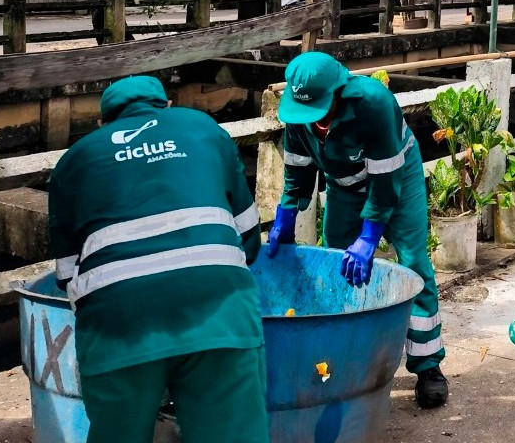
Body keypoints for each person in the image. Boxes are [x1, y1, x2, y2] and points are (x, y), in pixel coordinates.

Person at [48, 76, 268, 443]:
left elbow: (68, 273)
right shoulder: (202, 128)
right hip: (218, 307)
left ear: (104, 122)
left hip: (118, 321)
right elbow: (247, 235)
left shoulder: (75, 159)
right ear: (165, 105)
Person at [267, 51, 449, 408]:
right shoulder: (298, 110)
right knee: (335, 263)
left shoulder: (373, 103)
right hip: (343, 184)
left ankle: (428, 366)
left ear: (338, 93)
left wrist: (369, 237)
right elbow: (298, 166)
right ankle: (340, 361)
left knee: (413, 262)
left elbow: (385, 180)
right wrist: (285, 216)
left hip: (397, 175)